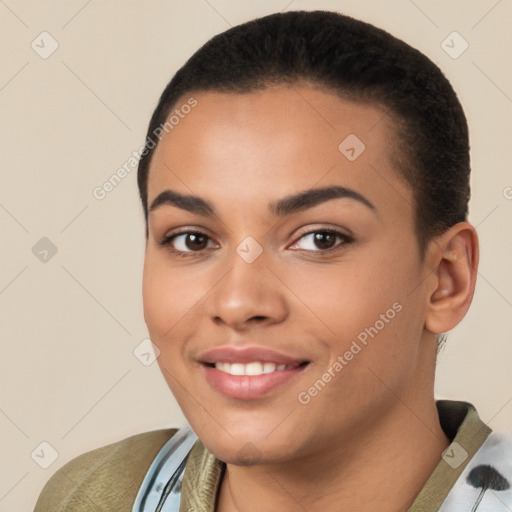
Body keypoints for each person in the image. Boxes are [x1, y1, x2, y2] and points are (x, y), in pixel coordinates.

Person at [34, 9, 512, 512]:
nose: (238, 302)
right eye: (193, 240)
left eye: (321, 239)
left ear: (445, 279)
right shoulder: (93, 496)